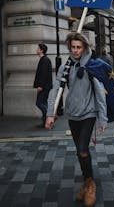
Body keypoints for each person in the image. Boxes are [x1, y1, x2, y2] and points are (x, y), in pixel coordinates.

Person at [45, 32, 107, 207]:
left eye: (79, 47)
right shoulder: (66, 67)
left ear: (85, 48)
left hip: (88, 113)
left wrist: (102, 118)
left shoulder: (92, 66)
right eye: (73, 47)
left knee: (82, 150)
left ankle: (91, 185)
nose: (75, 50)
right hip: (72, 115)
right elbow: (56, 89)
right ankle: (87, 183)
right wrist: (50, 113)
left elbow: (100, 94)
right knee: (80, 151)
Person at [33, 43, 53, 128]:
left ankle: (51, 115)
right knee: (43, 102)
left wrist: (40, 85)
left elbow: (44, 74)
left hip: (44, 86)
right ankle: (46, 122)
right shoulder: (44, 59)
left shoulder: (44, 60)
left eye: (38, 48)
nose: (37, 50)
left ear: (41, 50)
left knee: (39, 103)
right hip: (46, 86)